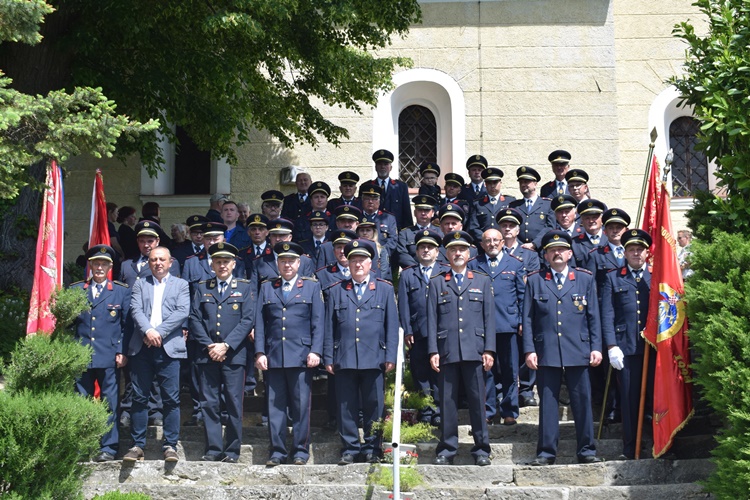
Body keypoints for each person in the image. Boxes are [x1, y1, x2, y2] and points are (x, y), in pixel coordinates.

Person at [522, 230, 603, 466]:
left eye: (561, 250)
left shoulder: (585, 279)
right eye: (551, 250)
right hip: (546, 350)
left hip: (578, 349)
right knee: (548, 403)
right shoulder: (535, 280)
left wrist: (596, 347)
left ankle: (587, 449)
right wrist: (529, 350)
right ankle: (546, 452)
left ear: (569, 253)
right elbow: (527, 318)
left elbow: (593, 317)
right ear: (545, 255)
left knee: (582, 401)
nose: (557, 253)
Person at [324, 239, 398, 465]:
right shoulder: (336, 290)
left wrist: (390, 356)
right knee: (346, 406)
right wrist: (328, 356)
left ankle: (372, 447)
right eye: (353, 260)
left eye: (362, 260)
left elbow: (392, 326)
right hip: (344, 356)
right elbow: (329, 326)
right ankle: (350, 447)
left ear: (370, 263)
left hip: (374, 357)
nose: (357, 264)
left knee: (373, 405)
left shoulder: (384, 289)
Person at [427, 231, 495, 466]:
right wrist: (433, 351)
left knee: (478, 401)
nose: (458, 253)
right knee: (447, 402)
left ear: (469, 254)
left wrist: (489, 350)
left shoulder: (482, 281)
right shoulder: (437, 282)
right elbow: (431, 320)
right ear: (446, 254)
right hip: (447, 351)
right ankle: (447, 449)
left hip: (475, 351)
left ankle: (482, 449)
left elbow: (489, 319)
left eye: (462, 250)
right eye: (453, 250)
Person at [255, 242, 324, 466]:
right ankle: (277, 451)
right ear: (277, 263)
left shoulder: (311, 287)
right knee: (275, 407)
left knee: (301, 406)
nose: (287, 265)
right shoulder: (267, 287)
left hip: (302, 355)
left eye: (291, 261)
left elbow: (318, 322)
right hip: (274, 355)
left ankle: (300, 451)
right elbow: (260, 322)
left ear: (299, 263)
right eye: (283, 261)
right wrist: (259, 351)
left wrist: (315, 350)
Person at [122, 246, 190, 462]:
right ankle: (137, 445)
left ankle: (170, 445)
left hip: (169, 348)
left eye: (162, 259)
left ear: (170, 262)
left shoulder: (181, 284)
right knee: (139, 398)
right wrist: (148, 331)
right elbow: (135, 310)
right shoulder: (141, 284)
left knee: (171, 399)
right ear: (149, 263)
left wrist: (157, 332)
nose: (158, 263)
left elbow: (182, 312)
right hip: (142, 348)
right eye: (153, 260)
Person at [189, 242, 254, 463]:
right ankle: (214, 448)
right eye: (218, 261)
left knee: (234, 403)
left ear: (233, 264)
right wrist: (210, 345)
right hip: (207, 354)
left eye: (226, 261)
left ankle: (233, 450)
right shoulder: (202, 287)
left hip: (234, 355)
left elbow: (247, 320)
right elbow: (195, 318)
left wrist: (226, 345)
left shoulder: (244, 288)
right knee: (209, 403)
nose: (222, 265)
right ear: (212, 265)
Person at [71, 244, 130, 462]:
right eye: (96, 263)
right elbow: (68, 325)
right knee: (81, 403)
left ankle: (109, 447)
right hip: (82, 357)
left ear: (110, 266)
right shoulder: (76, 290)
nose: (99, 267)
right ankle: (82, 446)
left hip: (109, 357)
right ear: (90, 265)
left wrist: (122, 351)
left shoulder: (121, 291)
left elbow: (126, 326)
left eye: (104, 263)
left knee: (110, 403)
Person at [600, 229, 652, 460]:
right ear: (625, 252)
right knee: (629, 401)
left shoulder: (657, 276)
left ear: (647, 253)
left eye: (640, 250)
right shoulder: (614, 277)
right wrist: (611, 346)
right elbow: (607, 314)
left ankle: (658, 445)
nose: (636, 253)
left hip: (654, 349)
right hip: (626, 348)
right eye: (631, 249)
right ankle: (630, 448)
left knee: (655, 399)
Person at [468, 227, 526, 426]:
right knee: (486, 370)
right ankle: (488, 410)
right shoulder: (473, 264)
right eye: (487, 241)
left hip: (507, 324)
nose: (492, 244)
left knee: (510, 369)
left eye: (495, 240)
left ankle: (509, 410)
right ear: (482, 245)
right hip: (481, 327)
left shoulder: (515, 264)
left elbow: (522, 295)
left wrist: (521, 321)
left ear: (502, 242)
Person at [398, 229, 442, 425]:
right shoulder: (408, 275)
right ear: (416, 252)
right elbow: (404, 306)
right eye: (422, 247)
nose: (426, 250)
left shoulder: (445, 271)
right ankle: (426, 410)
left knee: (440, 371)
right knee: (420, 372)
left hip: (441, 331)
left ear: (437, 252)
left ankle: (440, 410)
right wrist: (407, 329)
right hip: (417, 332)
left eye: (430, 247)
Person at [467, 167, 515, 243]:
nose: (492, 186)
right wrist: (487, 240)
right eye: (489, 183)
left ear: (500, 183)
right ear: (485, 184)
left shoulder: (510, 202)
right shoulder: (478, 204)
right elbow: (474, 227)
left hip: (504, 243)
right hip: (484, 244)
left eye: (495, 182)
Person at [508, 166, 555, 244]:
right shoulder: (514, 206)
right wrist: (520, 245)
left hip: (541, 249)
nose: (523, 184)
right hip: (520, 249)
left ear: (535, 184)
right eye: (521, 182)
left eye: (526, 182)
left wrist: (534, 244)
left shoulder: (547, 204)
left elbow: (550, 227)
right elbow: (511, 227)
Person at [395, 195, 442, 269]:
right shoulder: (405, 233)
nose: (423, 213)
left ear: (433, 213)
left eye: (426, 210)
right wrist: (419, 269)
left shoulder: (440, 232)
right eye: (420, 210)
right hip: (413, 273)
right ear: (414, 213)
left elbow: (443, 253)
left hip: (436, 273)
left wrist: (432, 269)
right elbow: (402, 255)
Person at [371, 149, 413, 230]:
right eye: (379, 164)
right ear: (375, 167)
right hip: (373, 232)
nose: (382, 167)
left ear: (391, 167)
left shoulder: (401, 187)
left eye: (386, 164)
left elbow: (406, 214)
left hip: (396, 232)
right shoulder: (367, 186)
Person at [359, 181, 399, 256]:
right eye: (367, 199)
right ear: (362, 200)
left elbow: (393, 240)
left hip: (382, 258)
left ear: (379, 201)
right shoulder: (357, 218)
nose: (370, 202)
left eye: (374, 199)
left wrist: (379, 251)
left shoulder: (389, 218)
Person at [572, 199, 608, 266]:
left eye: (594, 217)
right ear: (582, 221)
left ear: (602, 219)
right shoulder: (574, 244)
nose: (591, 221)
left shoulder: (610, 239)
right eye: (587, 218)